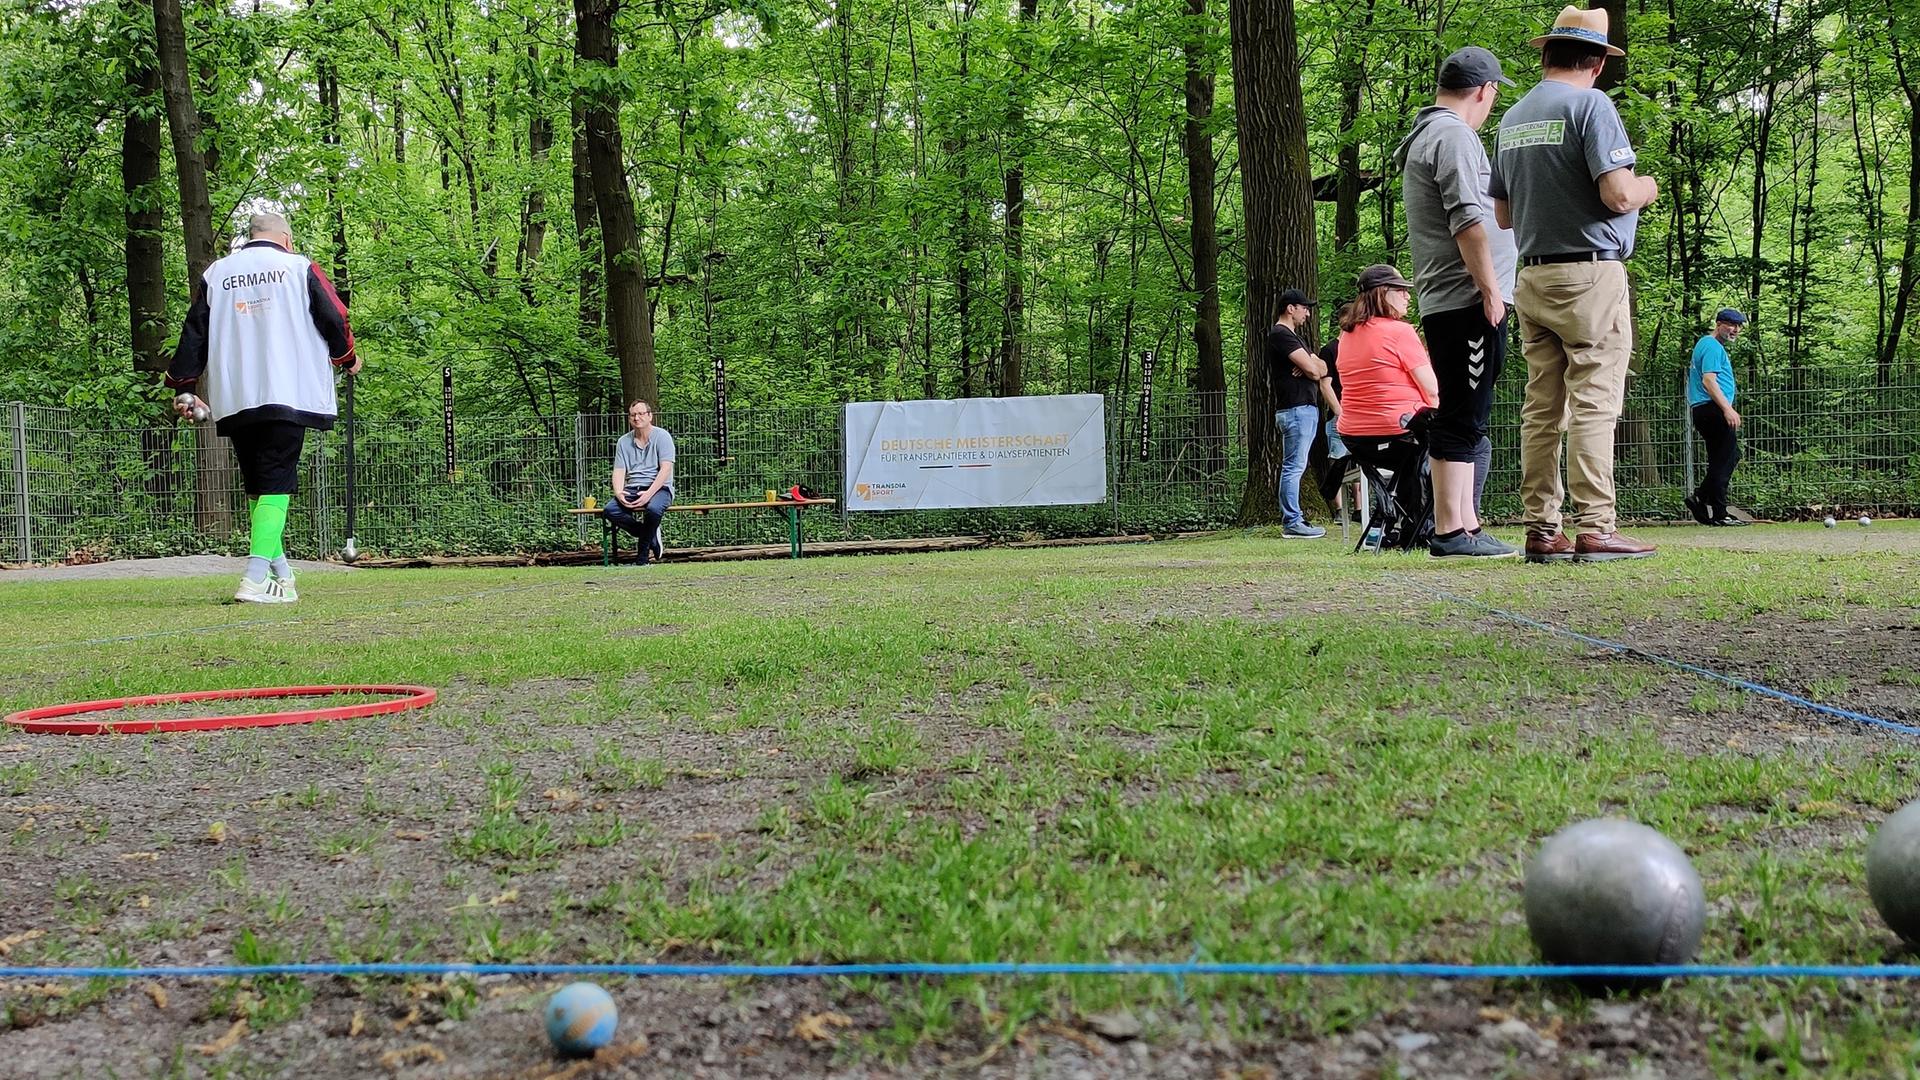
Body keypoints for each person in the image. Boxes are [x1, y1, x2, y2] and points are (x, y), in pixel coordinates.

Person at [1491, 6, 1661, 564]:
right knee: (1594, 401)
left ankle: (1542, 529)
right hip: (1590, 273)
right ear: (1595, 62)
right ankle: (1596, 526)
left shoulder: (1512, 116)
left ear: (1546, 55)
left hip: (1531, 275)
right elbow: (1616, 194)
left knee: (1542, 408)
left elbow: (1504, 216)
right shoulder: (1592, 105)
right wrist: (1647, 187)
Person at [166, 211, 357, 603]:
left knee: (260, 485)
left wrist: (184, 387)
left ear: (250, 237)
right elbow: (335, 316)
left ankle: (282, 576)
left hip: (237, 397)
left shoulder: (217, 273)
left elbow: (194, 330)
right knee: (275, 485)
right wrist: (347, 357)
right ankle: (254, 578)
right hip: (288, 390)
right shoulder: (298, 266)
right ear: (286, 238)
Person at [1394, 45, 1520, 559]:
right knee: (1461, 412)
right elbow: (1467, 220)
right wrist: (1490, 291)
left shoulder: (1431, 134)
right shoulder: (1453, 136)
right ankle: (1449, 529)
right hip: (1466, 297)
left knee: (1471, 408)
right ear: (1484, 91)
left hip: (1455, 297)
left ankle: (1465, 523)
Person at [1266, 288, 1329, 538]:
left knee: (1297, 465)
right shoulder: (1281, 334)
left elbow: (1322, 366)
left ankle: (1294, 519)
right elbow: (1315, 372)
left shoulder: (1294, 337)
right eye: (1304, 308)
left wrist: (1311, 366)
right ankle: (1292, 521)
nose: (1308, 313)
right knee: (1294, 466)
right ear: (1290, 308)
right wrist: (1310, 368)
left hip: (1303, 409)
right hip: (1296, 409)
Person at [1684, 308, 1748, 526]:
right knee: (1726, 458)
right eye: (1731, 325)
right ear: (1719, 323)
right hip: (1712, 409)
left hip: (1704, 409)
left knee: (1725, 457)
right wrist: (1727, 409)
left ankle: (1703, 499)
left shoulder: (1707, 344)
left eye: (1738, 326)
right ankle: (1718, 511)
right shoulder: (1711, 346)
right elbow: (1709, 381)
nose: (1735, 330)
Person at [604, 400, 675, 565]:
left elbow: (666, 470)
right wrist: (619, 492)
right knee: (610, 510)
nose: (637, 418)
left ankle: (642, 559)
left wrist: (649, 494)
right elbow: (619, 470)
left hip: (660, 488)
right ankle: (650, 532)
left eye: (641, 414)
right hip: (633, 488)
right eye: (633, 415)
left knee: (653, 510)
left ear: (650, 416)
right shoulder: (623, 441)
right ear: (629, 418)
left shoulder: (662, 436)